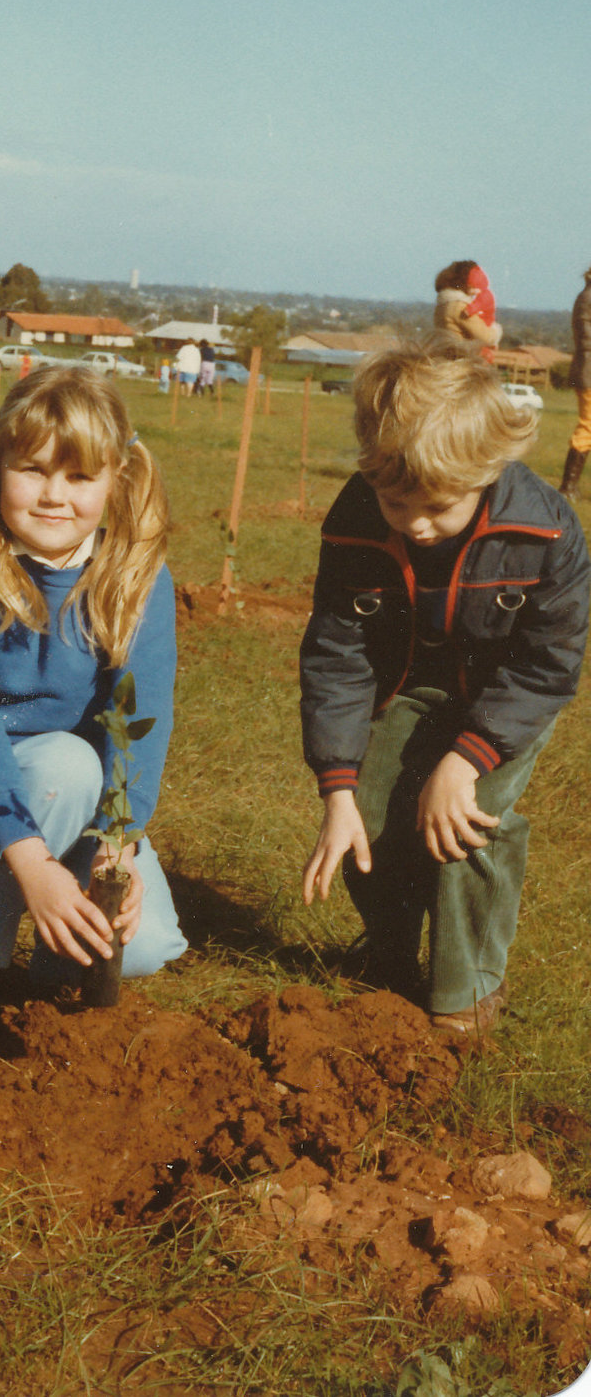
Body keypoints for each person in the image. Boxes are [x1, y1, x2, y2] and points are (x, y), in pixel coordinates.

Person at [300, 335, 589, 1038]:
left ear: (488, 470)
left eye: (438, 506)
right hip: (409, 685)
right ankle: (392, 956)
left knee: (462, 824)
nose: (418, 525)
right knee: (370, 813)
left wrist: (465, 760)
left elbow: (549, 665)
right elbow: (337, 655)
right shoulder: (355, 518)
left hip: (503, 698)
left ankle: (466, 990)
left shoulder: (544, 532)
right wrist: (338, 787)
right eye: (398, 505)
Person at [0, 367, 188, 1064]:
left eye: (80, 477)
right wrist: (32, 864)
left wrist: (118, 848)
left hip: (91, 800)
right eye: (33, 471)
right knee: (61, 762)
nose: (55, 495)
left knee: (146, 945)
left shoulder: (136, 580)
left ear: (116, 479)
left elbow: (139, 723)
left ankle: (40, 958)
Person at [559, 265, 591, 500]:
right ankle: (568, 487)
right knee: (588, 426)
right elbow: (586, 338)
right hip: (589, 371)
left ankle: (569, 487)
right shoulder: (588, 297)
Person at [432, 260, 501, 351]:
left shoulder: (443, 304)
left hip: (446, 354)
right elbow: (486, 337)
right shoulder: (459, 306)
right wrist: (497, 330)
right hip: (462, 356)